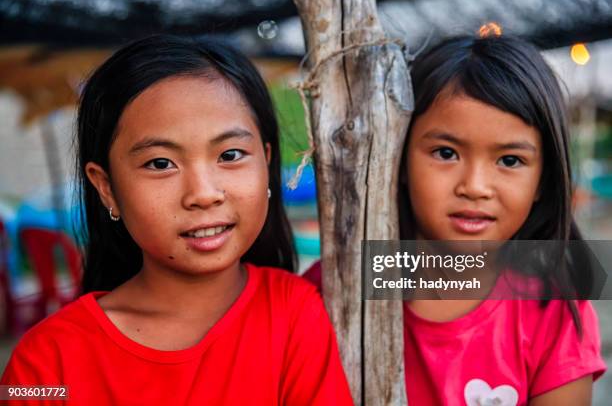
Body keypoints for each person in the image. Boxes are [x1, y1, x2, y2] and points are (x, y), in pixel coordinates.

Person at [2, 35, 353, 405]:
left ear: (266, 162)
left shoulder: (294, 314)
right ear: (106, 187)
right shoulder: (44, 363)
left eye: (231, 154)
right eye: (160, 163)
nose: (203, 193)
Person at [305, 35, 606, 405]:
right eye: (445, 153)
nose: (475, 187)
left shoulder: (554, 311)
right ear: (396, 158)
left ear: (543, 180)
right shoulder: (336, 286)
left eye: (509, 161)